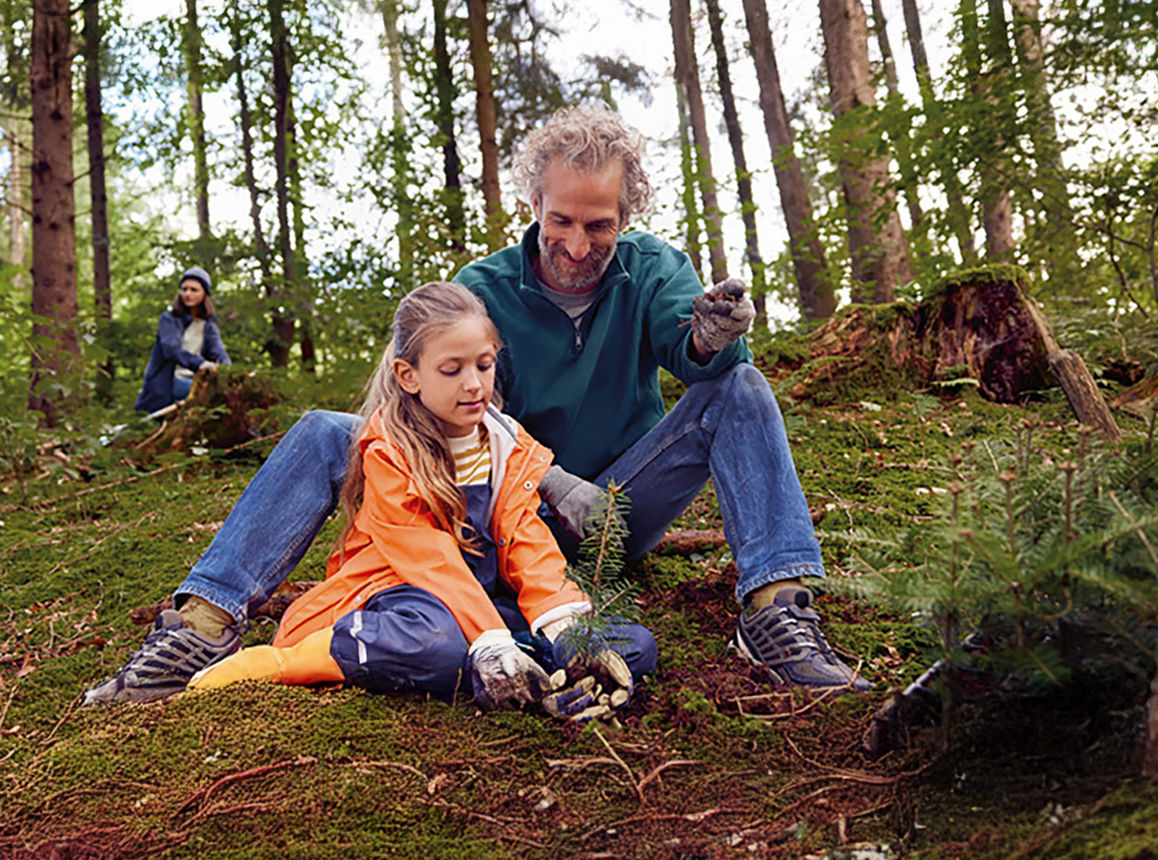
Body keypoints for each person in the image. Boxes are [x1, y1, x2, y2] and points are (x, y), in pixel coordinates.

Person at [84, 105, 869, 707]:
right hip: (489, 517)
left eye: (600, 225)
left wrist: (709, 337)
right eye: (560, 219)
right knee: (330, 431)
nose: (576, 242)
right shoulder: (483, 288)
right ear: (534, 201)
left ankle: (775, 612)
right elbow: (443, 410)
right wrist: (549, 478)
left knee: (740, 386)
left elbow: (690, 347)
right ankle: (201, 627)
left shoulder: (654, 267)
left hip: (610, 514)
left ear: (626, 217)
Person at [185, 283, 652, 713]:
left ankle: (538, 678)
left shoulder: (509, 444)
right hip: (406, 595)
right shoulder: (389, 449)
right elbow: (429, 559)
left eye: (484, 365)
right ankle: (285, 662)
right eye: (452, 370)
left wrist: (567, 631)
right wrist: (489, 639)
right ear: (409, 376)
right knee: (437, 645)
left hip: (487, 599)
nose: (474, 384)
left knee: (632, 644)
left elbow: (527, 543)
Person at [134, 266, 231, 414]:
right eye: (184, 289)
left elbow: (219, 352)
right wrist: (202, 364)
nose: (187, 294)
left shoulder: (208, 326)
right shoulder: (169, 320)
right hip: (167, 384)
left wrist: (229, 372)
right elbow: (171, 349)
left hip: (195, 382)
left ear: (204, 293)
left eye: (194, 290)